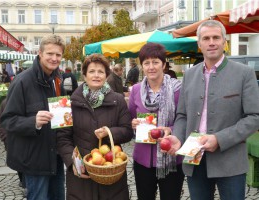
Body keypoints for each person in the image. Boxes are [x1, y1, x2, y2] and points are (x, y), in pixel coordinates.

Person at [166, 20, 259, 200]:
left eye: (216, 37)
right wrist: (177, 136)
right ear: (199, 44)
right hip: (194, 159)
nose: (211, 42)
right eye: (206, 38)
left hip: (230, 160)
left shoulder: (244, 73)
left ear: (225, 41)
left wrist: (219, 139)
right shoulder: (189, 75)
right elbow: (182, 115)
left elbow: (254, 117)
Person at [56, 53, 133, 200]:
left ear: (106, 75)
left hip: (110, 170)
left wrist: (110, 132)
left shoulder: (118, 100)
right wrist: (72, 162)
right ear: (84, 75)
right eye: (91, 71)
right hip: (81, 175)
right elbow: (62, 137)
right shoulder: (70, 102)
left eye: (100, 71)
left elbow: (128, 131)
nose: (96, 75)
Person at [0, 34, 66, 200]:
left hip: (55, 156)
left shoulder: (58, 79)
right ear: (40, 53)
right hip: (34, 159)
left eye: (58, 55)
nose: (54, 58)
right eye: (50, 53)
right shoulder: (22, 81)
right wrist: (33, 122)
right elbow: (7, 120)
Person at [129, 43, 184, 200]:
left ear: (164, 64)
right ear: (142, 66)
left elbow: (184, 119)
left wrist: (170, 129)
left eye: (155, 62)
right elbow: (130, 117)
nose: (151, 67)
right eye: (146, 63)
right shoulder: (136, 90)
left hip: (171, 159)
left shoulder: (178, 89)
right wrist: (133, 124)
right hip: (143, 160)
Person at [0, 98, 27, 196]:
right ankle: (23, 181)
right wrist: (5, 138)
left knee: (27, 160)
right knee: (17, 162)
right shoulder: (5, 102)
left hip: (26, 140)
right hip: (11, 141)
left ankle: (26, 185)